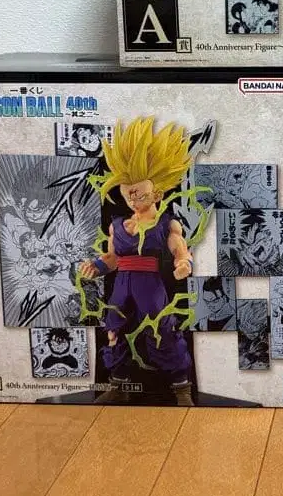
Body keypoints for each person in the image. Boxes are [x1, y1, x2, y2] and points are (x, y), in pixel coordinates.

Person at [79, 117, 195, 405]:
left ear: (157, 193)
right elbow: (113, 258)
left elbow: (180, 250)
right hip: (121, 284)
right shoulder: (118, 225)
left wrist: (183, 264)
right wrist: (97, 266)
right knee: (114, 331)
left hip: (150, 284)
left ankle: (182, 389)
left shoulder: (166, 224)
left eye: (138, 192)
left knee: (161, 330)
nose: (132, 198)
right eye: (127, 191)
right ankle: (118, 385)